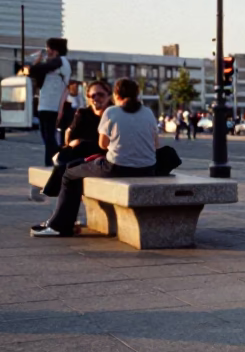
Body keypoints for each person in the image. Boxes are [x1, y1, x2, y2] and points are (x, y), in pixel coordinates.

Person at [32, 78, 158, 238]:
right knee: (77, 166)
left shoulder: (111, 112)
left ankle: (60, 225)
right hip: (148, 169)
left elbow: (103, 145)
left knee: (70, 173)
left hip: (117, 166)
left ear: (115, 94)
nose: (95, 99)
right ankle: (64, 219)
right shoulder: (148, 112)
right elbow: (156, 143)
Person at [40, 79, 113, 198]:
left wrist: (80, 142)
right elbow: (71, 135)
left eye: (100, 94)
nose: (96, 98)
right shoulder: (83, 113)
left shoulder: (114, 113)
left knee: (75, 156)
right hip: (84, 153)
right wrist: (74, 142)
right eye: (92, 95)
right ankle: (53, 191)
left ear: (109, 96)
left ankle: (53, 191)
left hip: (105, 154)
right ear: (88, 98)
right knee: (68, 154)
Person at [29, 37, 71, 167]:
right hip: (44, 106)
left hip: (53, 107)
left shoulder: (61, 61)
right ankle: (55, 163)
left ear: (57, 50)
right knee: (47, 139)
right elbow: (35, 74)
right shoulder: (51, 65)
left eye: (50, 49)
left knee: (50, 138)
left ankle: (53, 164)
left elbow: (41, 68)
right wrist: (36, 64)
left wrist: (38, 65)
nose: (48, 51)